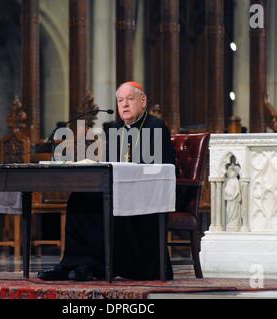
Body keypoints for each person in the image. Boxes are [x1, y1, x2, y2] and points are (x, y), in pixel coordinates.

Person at [37, 81, 176, 281]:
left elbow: (163, 168)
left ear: (143, 101)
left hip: (147, 196)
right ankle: (74, 263)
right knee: (79, 198)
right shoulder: (115, 128)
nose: (124, 105)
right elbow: (111, 163)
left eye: (130, 99)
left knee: (104, 203)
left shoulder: (156, 126)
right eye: (120, 101)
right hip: (120, 189)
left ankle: (95, 265)